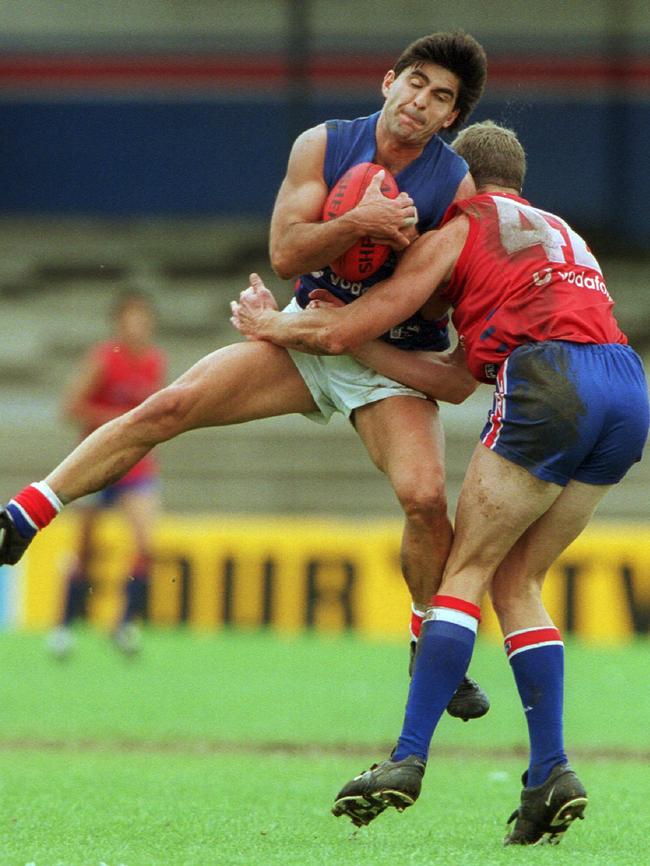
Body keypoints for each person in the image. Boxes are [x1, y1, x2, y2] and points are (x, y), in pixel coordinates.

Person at [0, 32, 489, 719]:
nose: (421, 101)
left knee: (425, 498)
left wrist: (304, 320)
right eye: (416, 82)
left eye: (441, 97)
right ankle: (26, 513)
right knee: (170, 407)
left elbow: (394, 310)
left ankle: (425, 640)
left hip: (386, 354)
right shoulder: (321, 144)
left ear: (450, 120)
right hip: (306, 335)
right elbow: (287, 251)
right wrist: (359, 222)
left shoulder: (454, 189)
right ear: (388, 81)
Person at [230, 121, 649, 846]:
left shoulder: (458, 225)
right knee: (519, 579)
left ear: (456, 171)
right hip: (627, 387)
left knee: (467, 569)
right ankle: (550, 771)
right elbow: (456, 382)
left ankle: (407, 759)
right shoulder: (558, 230)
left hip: (551, 378)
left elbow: (346, 328)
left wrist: (276, 325)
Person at [47, 291, 166, 657]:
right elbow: (70, 407)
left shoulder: (153, 362)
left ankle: (125, 624)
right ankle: (64, 627)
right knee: (86, 549)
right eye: (131, 319)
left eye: (143, 319)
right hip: (97, 465)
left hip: (136, 467)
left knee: (147, 544)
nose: (138, 326)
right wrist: (117, 421)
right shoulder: (103, 359)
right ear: (119, 324)